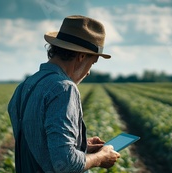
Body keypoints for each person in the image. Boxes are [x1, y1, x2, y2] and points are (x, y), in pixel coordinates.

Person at [7, 15, 121, 172]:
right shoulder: (64, 88)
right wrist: (101, 157)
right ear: (81, 57)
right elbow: (66, 164)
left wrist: (82, 145)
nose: (88, 72)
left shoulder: (25, 86)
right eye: (92, 63)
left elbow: (36, 143)